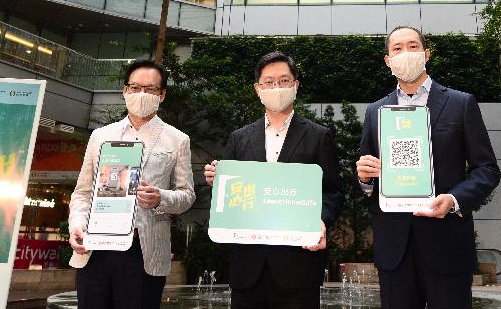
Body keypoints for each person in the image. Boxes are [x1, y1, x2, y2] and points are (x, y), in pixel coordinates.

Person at [356, 26, 500, 309]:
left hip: (446, 242)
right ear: (387, 60)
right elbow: (366, 172)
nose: (405, 53)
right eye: (397, 49)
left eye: (412, 46)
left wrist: (455, 199)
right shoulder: (376, 111)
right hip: (395, 247)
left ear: (426, 54)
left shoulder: (461, 103)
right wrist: (364, 179)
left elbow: (487, 169)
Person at [204, 51, 342, 309]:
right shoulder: (239, 138)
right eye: (268, 82)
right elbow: (229, 199)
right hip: (248, 268)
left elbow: (333, 192)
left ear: (296, 85)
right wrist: (219, 182)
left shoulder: (319, 136)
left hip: (298, 266)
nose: (276, 87)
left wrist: (321, 221)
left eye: (284, 80)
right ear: (258, 88)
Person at [68, 60, 195, 309]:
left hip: (143, 250)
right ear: (125, 91)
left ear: (162, 95)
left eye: (150, 89)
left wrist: (161, 198)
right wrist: (77, 226)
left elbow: (187, 195)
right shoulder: (101, 136)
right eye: (135, 87)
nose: (141, 94)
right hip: (95, 248)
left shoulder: (177, 140)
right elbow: (82, 193)